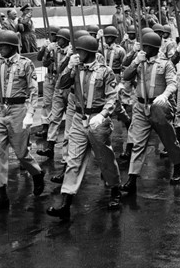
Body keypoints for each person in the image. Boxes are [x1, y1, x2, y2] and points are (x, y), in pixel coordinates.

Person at [46, 35, 122, 220]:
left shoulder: (105, 72)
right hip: (80, 118)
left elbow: (113, 97)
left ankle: (115, 189)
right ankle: (66, 202)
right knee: (73, 160)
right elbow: (61, 86)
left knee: (105, 159)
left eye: (79, 51)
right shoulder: (75, 68)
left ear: (88, 52)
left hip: (98, 119)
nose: (77, 53)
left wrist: (103, 115)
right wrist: (69, 66)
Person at [0, 31, 45, 212]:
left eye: (1, 45)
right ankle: (1, 194)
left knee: (21, 153)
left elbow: (34, 90)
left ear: (11, 46)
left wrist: (30, 113)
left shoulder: (25, 64)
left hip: (18, 110)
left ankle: (37, 173)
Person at [120, 32, 180, 195]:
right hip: (140, 106)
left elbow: (173, 83)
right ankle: (132, 178)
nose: (144, 48)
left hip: (158, 106)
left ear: (154, 48)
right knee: (138, 142)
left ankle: (177, 166)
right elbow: (126, 76)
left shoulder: (166, 64)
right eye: (143, 45)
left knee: (168, 139)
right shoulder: (139, 61)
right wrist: (135, 62)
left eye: (147, 46)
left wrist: (164, 96)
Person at [37, 29, 71, 159]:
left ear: (66, 39)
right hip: (55, 83)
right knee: (55, 116)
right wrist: (46, 50)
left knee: (70, 118)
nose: (57, 40)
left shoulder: (71, 51)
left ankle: (69, 148)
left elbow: (62, 69)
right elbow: (44, 62)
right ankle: (50, 145)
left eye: (60, 38)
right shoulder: (54, 48)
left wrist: (68, 56)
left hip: (67, 86)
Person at [35, 26, 60, 139]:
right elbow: (40, 59)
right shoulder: (47, 45)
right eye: (51, 34)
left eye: (54, 34)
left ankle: (54, 127)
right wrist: (43, 48)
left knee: (58, 104)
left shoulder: (62, 47)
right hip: (49, 75)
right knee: (46, 103)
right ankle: (45, 126)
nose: (52, 37)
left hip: (59, 77)